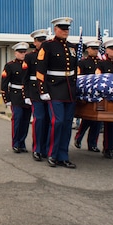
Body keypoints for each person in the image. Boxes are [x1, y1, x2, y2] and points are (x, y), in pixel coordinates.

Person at [36, 17, 78, 169]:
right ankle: (52, 154)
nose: (65, 31)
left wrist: (75, 89)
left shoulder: (72, 47)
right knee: (57, 121)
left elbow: (75, 70)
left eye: (67, 28)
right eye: (62, 28)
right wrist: (43, 90)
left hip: (69, 90)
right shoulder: (47, 46)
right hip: (54, 89)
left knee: (67, 124)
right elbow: (40, 70)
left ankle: (63, 156)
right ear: (55, 29)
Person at [1, 42, 32, 153]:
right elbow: (4, 83)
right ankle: (16, 143)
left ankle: (22, 143)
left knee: (26, 121)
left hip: (27, 96)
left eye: (24, 52)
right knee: (17, 119)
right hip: (15, 96)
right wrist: (7, 99)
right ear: (15, 53)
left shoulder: (29, 64)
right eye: (20, 52)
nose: (23, 54)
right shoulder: (10, 65)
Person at [24, 29, 50, 161]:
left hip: (49, 91)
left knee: (49, 121)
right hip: (35, 92)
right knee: (39, 120)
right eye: (39, 41)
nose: (42, 43)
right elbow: (25, 77)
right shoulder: (29, 57)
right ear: (35, 42)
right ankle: (37, 149)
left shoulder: (50, 54)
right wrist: (27, 95)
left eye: (44, 40)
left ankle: (46, 149)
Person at [74, 40, 102, 153]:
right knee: (87, 119)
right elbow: (79, 78)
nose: (95, 51)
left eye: (97, 49)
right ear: (88, 49)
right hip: (87, 95)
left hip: (99, 95)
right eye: (93, 48)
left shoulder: (101, 63)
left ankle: (92, 144)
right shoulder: (82, 63)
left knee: (98, 120)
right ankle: (79, 137)